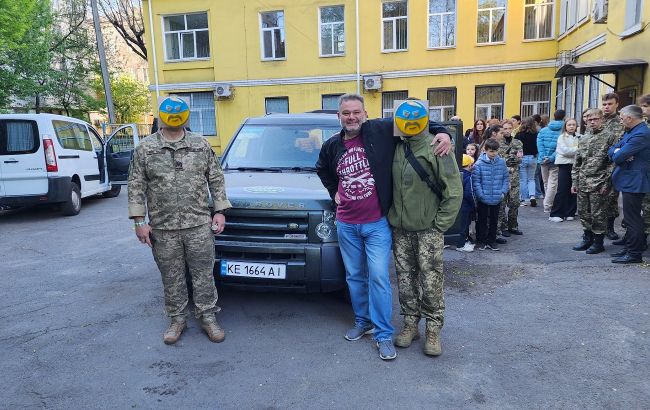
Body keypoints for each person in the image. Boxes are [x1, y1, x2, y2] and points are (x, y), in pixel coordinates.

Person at [315, 93, 451, 361]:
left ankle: (383, 334)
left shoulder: (378, 130)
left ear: (365, 114)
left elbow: (414, 120)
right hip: (346, 223)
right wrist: (334, 190)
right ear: (338, 117)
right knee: (354, 276)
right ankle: (362, 321)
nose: (351, 117)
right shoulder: (331, 146)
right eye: (346, 113)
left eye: (356, 112)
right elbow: (322, 169)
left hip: (377, 223)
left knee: (378, 276)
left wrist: (443, 132)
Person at [128, 96, 232, 344]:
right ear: (161, 117)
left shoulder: (200, 145)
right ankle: (177, 320)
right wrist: (138, 221)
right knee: (171, 276)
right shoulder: (145, 148)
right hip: (163, 228)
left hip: (198, 225)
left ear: (186, 117)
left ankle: (208, 316)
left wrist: (219, 210)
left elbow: (215, 179)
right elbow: (135, 185)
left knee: (203, 275)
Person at [388, 99, 462, 357]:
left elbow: (453, 191)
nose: (408, 126)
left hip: (428, 229)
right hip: (400, 229)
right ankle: (410, 324)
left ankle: (433, 329)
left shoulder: (437, 146)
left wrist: (438, 225)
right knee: (405, 280)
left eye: (413, 121)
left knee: (431, 281)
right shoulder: (396, 145)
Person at [571, 108, 618, 255]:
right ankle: (587, 238)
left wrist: (607, 183)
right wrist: (574, 182)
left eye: (595, 119)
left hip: (599, 182)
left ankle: (598, 242)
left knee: (598, 214)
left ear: (601, 119)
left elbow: (613, 163)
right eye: (589, 119)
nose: (592, 122)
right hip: (583, 181)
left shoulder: (610, 137)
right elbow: (577, 161)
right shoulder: (584, 138)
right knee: (584, 212)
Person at [607, 105, 650, 263]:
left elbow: (618, 156)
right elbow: (612, 150)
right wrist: (618, 152)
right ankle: (629, 249)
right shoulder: (632, 131)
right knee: (631, 218)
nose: (620, 119)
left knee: (633, 219)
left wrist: (620, 153)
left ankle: (634, 254)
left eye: (621, 117)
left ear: (630, 118)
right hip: (629, 179)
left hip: (635, 181)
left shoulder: (641, 134)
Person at [473, 138, 509, 251]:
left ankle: (491, 240)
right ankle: (481, 241)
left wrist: (503, 192)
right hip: (483, 197)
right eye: (491, 151)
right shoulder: (479, 164)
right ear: (485, 150)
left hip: (497, 197)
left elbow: (505, 178)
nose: (493, 153)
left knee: (494, 220)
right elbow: (476, 181)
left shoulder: (502, 162)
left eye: (495, 151)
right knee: (482, 220)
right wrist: (480, 195)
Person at [601, 93, 625, 241]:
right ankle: (596, 227)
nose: (606, 107)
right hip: (596, 166)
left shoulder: (621, 122)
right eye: (604, 104)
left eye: (610, 104)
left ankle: (609, 227)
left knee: (611, 197)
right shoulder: (597, 120)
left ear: (617, 104)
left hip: (613, 165)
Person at [549, 118, 580, 222]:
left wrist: (574, 151)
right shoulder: (561, 137)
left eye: (573, 125)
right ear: (565, 126)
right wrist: (578, 149)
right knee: (562, 189)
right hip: (564, 165)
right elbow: (565, 151)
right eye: (569, 124)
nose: (571, 126)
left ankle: (570, 212)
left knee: (574, 189)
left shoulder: (580, 137)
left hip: (576, 165)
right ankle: (555, 213)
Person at [497, 120, 524, 237]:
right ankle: (503, 226)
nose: (507, 131)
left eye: (509, 128)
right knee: (502, 204)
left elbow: (520, 158)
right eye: (505, 128)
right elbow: (498, 159)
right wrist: (508, 160)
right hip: (502, 177)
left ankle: (513, 225)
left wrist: (515, 160)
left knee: (515, 203)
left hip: (514, 178)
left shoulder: (517, 143)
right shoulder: (498, 143)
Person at [537, 109, 565, 212]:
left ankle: (548, 202)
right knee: (553, 183)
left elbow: (539, 145)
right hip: (555, 160)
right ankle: (548, 205)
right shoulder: (563, 131)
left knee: (546, 182)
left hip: (543, 160)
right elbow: (560, 146)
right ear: (564, 117)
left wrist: (543, 156)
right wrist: (551, 158)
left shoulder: (543, 130)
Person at [516, 117, 539, 206]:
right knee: (531, 179)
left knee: (523, 180)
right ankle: (532, 196)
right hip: (533, 157)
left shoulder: (519, 135)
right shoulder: (536, 134)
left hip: (522, 158)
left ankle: (524, 199)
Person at [456, 154, 476, 253]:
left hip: (457, 205)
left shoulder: (456, 174)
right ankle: (461, 245)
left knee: (458, 225)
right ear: (469, 165)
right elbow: (469, 193)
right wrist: (474, 204)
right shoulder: (468, 177)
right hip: (465, 206)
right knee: (464, 226)